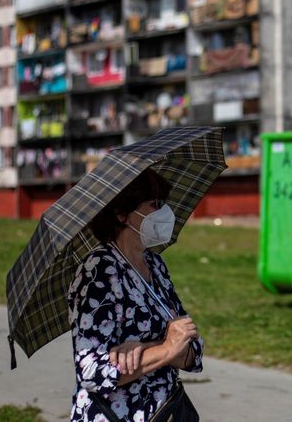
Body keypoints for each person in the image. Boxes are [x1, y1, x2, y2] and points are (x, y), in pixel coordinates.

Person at [68, 169, 202, 421]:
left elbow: (193, 348)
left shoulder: (155, 264)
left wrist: (146, 348)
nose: (164, 212)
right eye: (155, 204)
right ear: (121, 213)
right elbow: (92, 371)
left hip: (167, 411)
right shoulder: (100, 270)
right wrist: (166, 349)